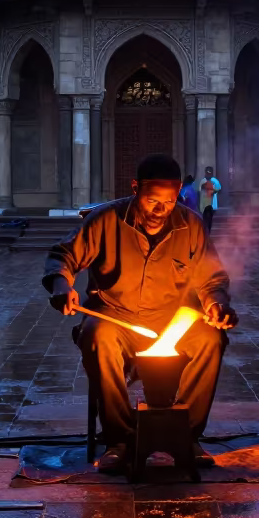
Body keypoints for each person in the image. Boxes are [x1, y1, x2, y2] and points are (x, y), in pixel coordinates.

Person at [44, 153, 238, 474]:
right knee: (98, 337)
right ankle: (120, 440)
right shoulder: (105, 220)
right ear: (136, 188)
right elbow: (63, 256)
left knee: (210, 338)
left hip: (170, 320)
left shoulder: (191, 224)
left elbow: (211, 279)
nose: (160, 210)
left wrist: (216, 304)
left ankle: (186, 435)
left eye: (169, 201)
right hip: (116, 317)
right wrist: (61, 286)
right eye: (152, 200)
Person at [198, 166, 221, 234]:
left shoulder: (215, 181)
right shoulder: (203, 181)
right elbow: (199, 191)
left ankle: (208, 233)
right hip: (204, 204)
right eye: (207, 173)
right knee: (205, 220)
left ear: (212, 173)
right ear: (205, 173)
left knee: (209, 220)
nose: (208, 174)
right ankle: (206, 233)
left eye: (209, 173)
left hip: (212, 205)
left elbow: (219, 189)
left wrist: (213, 191)